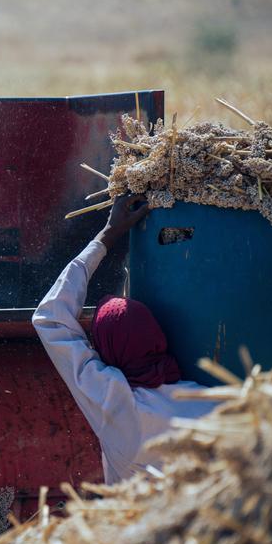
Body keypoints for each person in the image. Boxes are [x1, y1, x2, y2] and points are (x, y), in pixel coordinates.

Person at [32, 195, 216, 484]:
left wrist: (107, 235)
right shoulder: (210, 403)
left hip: (138, 528)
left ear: (109, 352)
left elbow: (50, 319)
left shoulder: (115, 400)